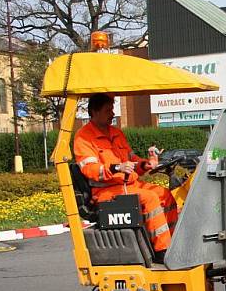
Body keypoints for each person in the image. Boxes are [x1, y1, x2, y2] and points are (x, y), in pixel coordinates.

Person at [74, 93, 178, 259]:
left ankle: (174, 242)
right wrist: (116, 167)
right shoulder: (83, 138)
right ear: (94, 111)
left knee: (165, 194)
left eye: (112, 109)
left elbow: (132, 160)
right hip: (106, 192)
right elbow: (90, 169)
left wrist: (145, 164)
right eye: (108, 110)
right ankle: (162, 251)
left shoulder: (116, 133)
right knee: (150, 198)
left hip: (129, 186)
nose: (113, 113)